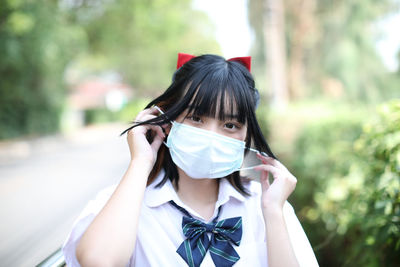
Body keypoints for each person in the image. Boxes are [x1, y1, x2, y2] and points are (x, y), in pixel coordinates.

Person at [62, 53, 319, 267]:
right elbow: (98, 261)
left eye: (230, 124)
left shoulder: (267, 205)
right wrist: (140, 162)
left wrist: (273, 213)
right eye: (196, 118)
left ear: (247, 135)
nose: (210, 136)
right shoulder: (125, 203)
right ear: (169, 121)